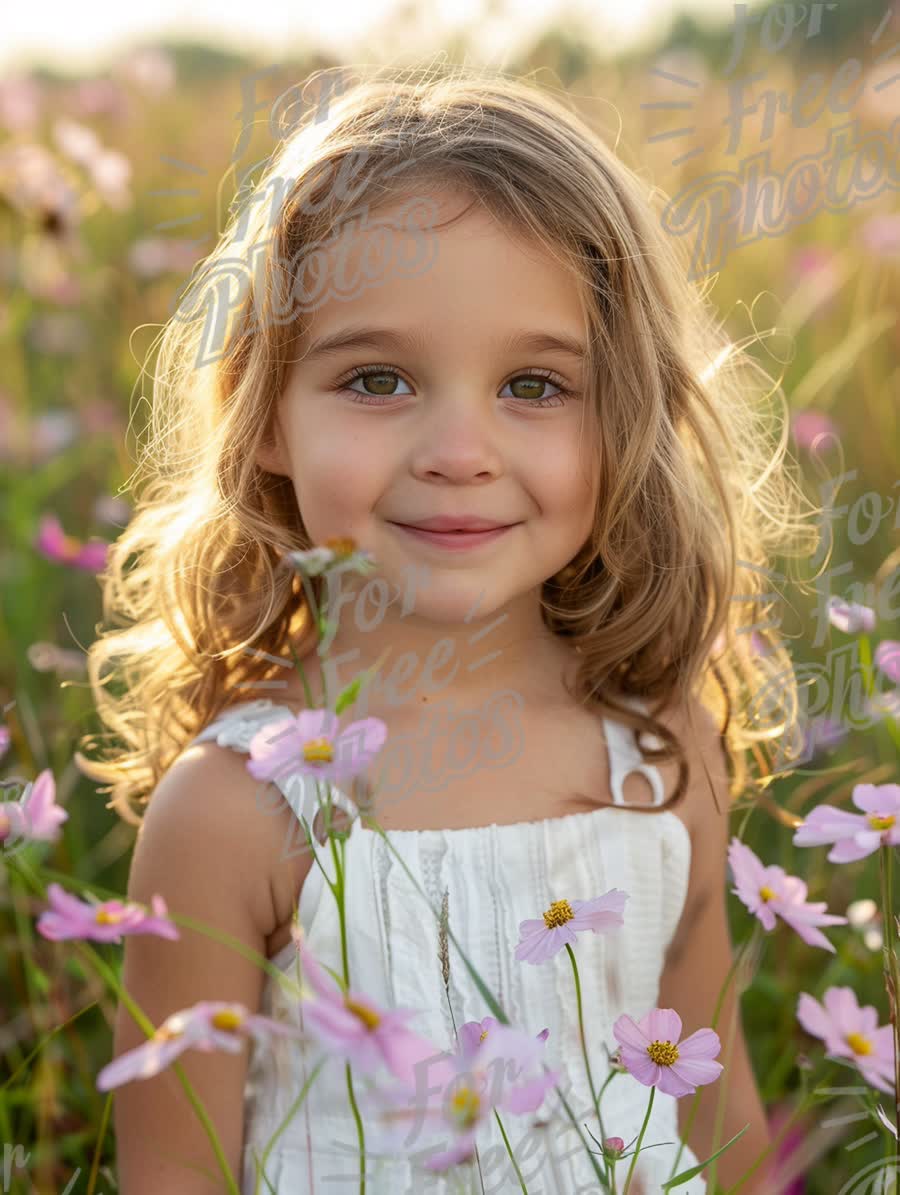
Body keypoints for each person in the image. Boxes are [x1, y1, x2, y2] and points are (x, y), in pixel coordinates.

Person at [79, 63, 812, 1194]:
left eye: (534, 385)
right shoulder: (235, 811)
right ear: (264, 413)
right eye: (376, 379)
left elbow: (729, 1131)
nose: (458, 450)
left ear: (625, 415)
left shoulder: (658, 751)